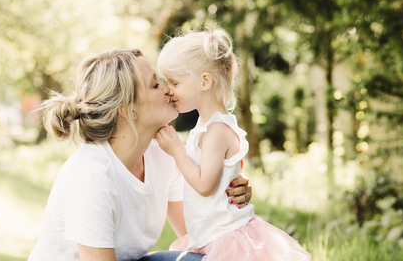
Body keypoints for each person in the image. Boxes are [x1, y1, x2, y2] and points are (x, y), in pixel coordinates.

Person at [28, 48, 252, 261]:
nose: (167, 89)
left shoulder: (163, 154)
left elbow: (196, 232)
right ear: (127, 109)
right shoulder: (92, 177)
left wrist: (226, 190)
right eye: (155, 84)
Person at [155, 27, 312, 261]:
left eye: (175, 82)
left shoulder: (217, 130)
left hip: (226, 238)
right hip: (212, 234)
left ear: (204, 81)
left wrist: (177, 150)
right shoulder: (206, 123)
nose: (169, 89)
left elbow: (205, 185)